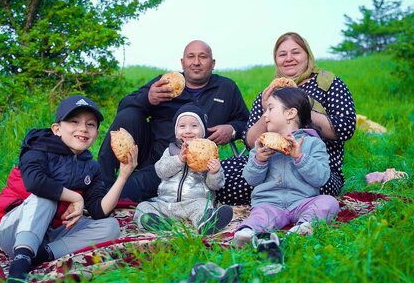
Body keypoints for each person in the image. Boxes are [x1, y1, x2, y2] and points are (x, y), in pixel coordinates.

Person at [0, 95, 138, 283]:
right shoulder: (37, 148)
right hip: (16, 229)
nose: (83, 128)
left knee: (111, 226)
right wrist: (76, 198)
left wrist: (124, 175)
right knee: (46, 198)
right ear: (57, 129)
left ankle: (43, 255)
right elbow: (36, 183)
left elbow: (99, 210)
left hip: (51, 233)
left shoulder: (90, 167)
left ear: (96, 134)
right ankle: (19, 267)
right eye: (74, 121)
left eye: (90, 124)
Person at [98, 40, 250, 203]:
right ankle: (100, 183)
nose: (196, 62)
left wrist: (232, 129)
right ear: (182, 62)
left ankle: (116, 195)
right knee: (129, 115)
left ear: (212, 63)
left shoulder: (226, 88)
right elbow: (124, 106)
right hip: (152, 154)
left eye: (203, 57)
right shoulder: (166, 83)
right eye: (191, 57)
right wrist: (148, 98)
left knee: (127, 190)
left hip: (191, 167)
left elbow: (247, 123)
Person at [218, 32, 356, 205]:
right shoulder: (269, 93)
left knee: (311, 184)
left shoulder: (328, 83)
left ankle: (283, 202)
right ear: (276, 60)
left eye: (296, 52)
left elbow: (345, 129)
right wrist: (266, 109)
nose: (289, 58)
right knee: (222, 173)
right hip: (272, 163)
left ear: (308, 55)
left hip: (313, 164)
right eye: (282, 54)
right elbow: (250, 141)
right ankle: (193, 199)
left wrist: (303, 104)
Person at [233, 87, 340, 247]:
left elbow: (321, 178)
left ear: (290, 113)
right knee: (261, 215)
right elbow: (251, 179)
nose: (265, 116)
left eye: (270, 109)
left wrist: (300, 157)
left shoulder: (313, 143)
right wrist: (259, 160)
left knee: (329, 202)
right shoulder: (261, 144)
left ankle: (303, 227)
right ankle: (247, 233)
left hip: (303, 201)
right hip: (269, 202)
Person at [134, 103, 233, 235]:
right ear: (176, 132)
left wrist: (214, 172)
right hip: (166, 204)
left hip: (192, 203)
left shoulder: (208, 154)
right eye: (182, 126)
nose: (188, 130)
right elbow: (160, 171)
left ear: (203, 131)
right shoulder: (170, 151)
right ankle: (154, 221)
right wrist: (179, 159)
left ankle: (207, 223)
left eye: (194, 126)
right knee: (143, 207)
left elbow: (215, 186)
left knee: (204, 206)